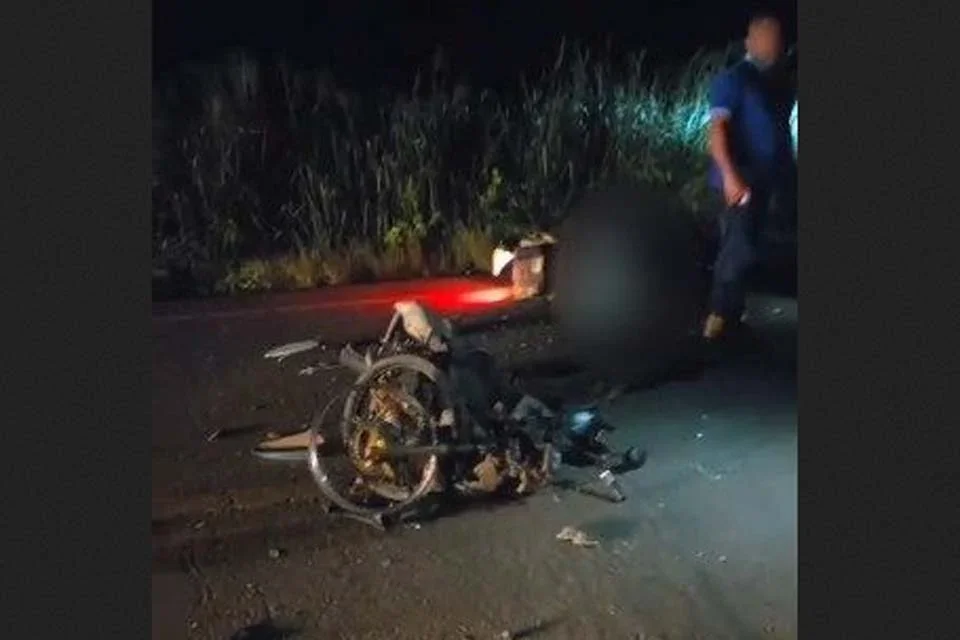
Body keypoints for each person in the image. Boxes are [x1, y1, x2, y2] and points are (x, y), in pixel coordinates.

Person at [703, 10, 797, 341]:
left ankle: (733, 317)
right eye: (767, 38)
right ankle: (716, 322)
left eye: (778, 40)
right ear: (750, 42)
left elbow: (779, 133)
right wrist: (730, 176)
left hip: (766, 180)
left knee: (751, 247)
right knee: (737, 249)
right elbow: (717, 131)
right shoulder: (734, 79)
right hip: (738, 179)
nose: (774, 46)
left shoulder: (776, 85)